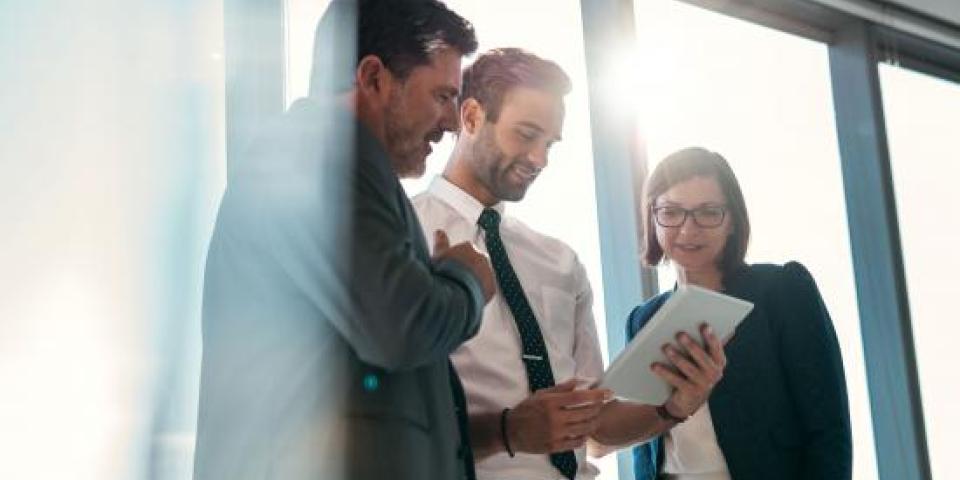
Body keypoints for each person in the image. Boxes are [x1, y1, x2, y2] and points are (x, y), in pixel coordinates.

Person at [193, 1, 496, 480]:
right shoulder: (319, 154)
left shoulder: (330, 160)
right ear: (373, 77)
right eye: (441, 96)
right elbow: (400, 326)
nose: (453, 123)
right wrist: (467, 282)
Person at [412, 48, 727, 480]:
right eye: (525, 134)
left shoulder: (559, 260)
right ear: (470, 117)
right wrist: (506, 432)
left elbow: (597, 424)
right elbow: (389, 422)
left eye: (549, 144)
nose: (539, 159)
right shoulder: (405, 237)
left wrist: (673, 407)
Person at [627, 147, 852, 480]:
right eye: (672, 212)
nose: (688, 230)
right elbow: (643, 441)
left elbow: (828, 432)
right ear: (652, 217)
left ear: (731, 220)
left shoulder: (782, 291)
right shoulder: (642, 320)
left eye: (708, 212)